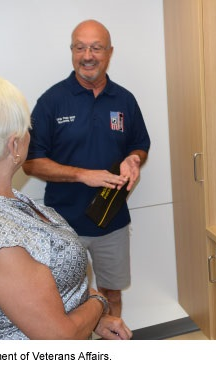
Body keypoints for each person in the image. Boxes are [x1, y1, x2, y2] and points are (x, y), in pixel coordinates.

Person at [0, 76, 132, 340]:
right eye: (27, 129)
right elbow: (59, 339)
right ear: (14, 146)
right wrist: (98, 304)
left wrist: (91, 319)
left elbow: (35, 301)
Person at [23, 19, 151, 318]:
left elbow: (140, 144)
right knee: (69, 303)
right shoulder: (51, 101)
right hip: (64, 225)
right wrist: (82, 174)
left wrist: (134, 159)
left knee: (111, 296)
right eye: (80, 47)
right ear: (72, 51)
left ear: (109, 52)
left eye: (96, 48)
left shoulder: (124, 99)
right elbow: (29, 162)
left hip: (112, 221)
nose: (87, 55)